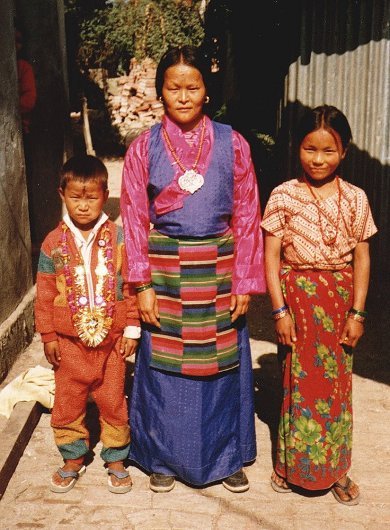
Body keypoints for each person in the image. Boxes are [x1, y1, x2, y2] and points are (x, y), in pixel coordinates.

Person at [120, 45, 265, 493]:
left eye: (193, 86)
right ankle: (161, 456)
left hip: (220, 270)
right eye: (173, 87)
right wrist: (141, 283)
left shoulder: (232, 142)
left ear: (206, 91)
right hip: (163, 272)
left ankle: (225, 457)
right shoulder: (143, 147)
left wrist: (244, 279)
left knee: (220, 366)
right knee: (164, 366)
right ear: (161, 92)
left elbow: (246, 214)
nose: (183, 95)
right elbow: (132, 216)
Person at [261, 105, 377, 505]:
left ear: (344, 151)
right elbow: (271, 257)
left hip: (339, 301)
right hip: (297, 302)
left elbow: (362, 257)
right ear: (298, 148)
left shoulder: (357, 199)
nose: (318, 159)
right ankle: (288, 466)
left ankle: (337, 470)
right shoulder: (283, 196)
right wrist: (279, 311)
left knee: (337, 388)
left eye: (329, 151)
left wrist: (357, 313)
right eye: (310, 149)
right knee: (295, 383)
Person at [35, 155, 141, 494]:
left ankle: (115, 458)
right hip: (69, 344)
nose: (83, 206)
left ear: (105, 194)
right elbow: (44, 294)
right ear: (62, 194)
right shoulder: (53, 243)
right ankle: (72, 457)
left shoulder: (119, 237)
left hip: (110, 343)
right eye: (75, 197)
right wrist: (48, 335)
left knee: (112, 400)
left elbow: (131, 285)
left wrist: (132, 328)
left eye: (91, 197)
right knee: (68, 401)